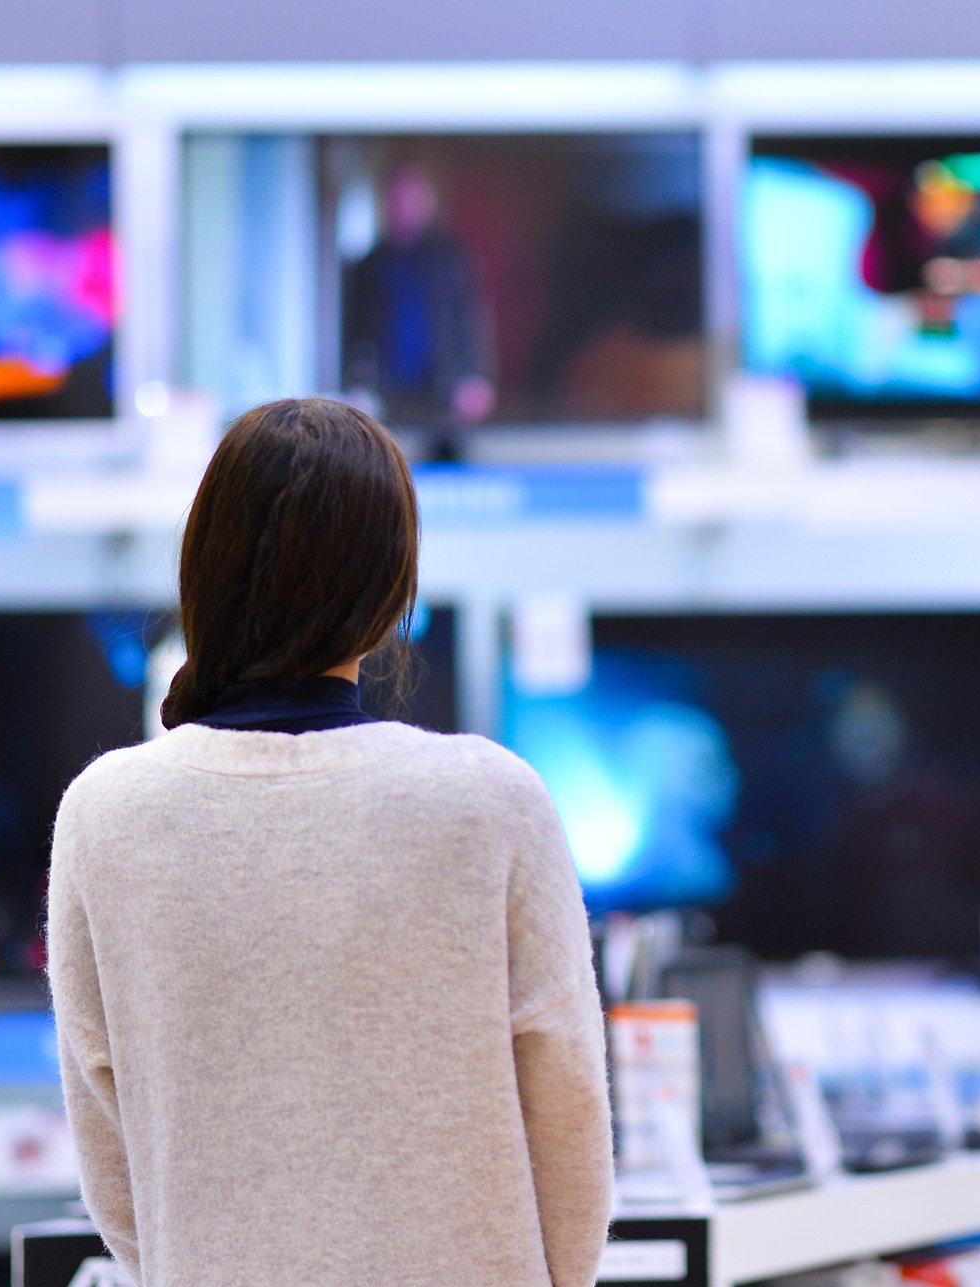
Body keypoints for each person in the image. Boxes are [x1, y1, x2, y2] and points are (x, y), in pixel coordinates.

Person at [46, 397, 612, 1287]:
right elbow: (569, 1109)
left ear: (204, 568)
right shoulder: (489, 800)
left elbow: (112, 1167)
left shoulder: (103, 812)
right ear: (391, 589)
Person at [341, 163, 496, 453]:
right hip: (387, 390)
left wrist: (475, 376)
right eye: (398, 200)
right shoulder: (370, 265)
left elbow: (468, 321)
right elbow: (355, 330)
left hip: (443, 388)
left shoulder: (448, 259)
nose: (404, 208)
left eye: (411, 200)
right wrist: (356, 383)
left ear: (426, 204)